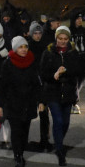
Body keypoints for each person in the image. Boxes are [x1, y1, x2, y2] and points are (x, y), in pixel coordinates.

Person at [39, 25, 84, 166]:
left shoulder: (73, 53)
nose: (63, 41)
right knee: (57, 121)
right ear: (56, 38)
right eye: (60, 38)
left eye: (65, 39)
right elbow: (43, 73)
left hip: (68, 92)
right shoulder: (48, 52)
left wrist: (65, 71)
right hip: (53, 92)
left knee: (65, 123)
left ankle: (58, 140)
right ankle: (59, 150)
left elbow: (78, 70)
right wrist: (54, 75)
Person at [0, 36, 43, 167]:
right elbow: (2, 86)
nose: (23, 50)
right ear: (15, 48)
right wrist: (0, 104)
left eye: (25, 47)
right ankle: (18, 156)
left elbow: (37, 84)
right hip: (13, 103)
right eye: (20, 47)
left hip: (28, 103)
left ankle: (21, 151)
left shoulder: (32, 62)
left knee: (24, 131)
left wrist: (40, 101)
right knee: (16, 130)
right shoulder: (8, 63)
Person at [27, 22, 52, 151]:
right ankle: (23, 139)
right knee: (27, 113)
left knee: (44, 113)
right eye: (35, 33)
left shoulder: (45, 47)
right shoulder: (27, 47)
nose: (37, 36)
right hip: (31, 84)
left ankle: (44, 139)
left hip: (42, 83)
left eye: (39, 33)